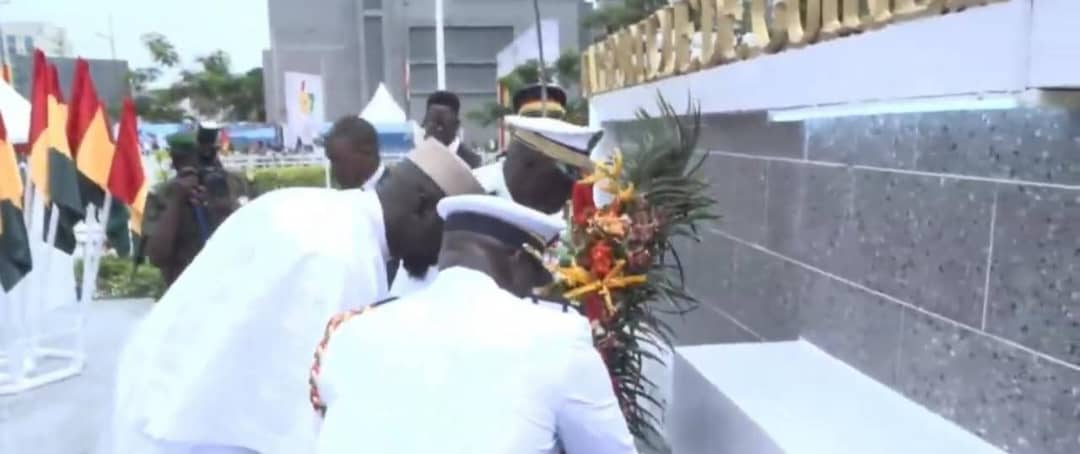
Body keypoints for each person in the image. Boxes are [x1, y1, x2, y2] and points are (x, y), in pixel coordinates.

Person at [100, 138, 485, 454]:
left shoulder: (312, 205)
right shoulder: (341, 259)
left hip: (162, 399)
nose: (440, 255)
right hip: (191, 431)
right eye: (445, 238)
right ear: (422, 206)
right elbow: (313, 415)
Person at [312, 195, 637, 454]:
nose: (531, 290)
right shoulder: (558, 340)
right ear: (517, 258)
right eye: (535, 275)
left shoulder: (351, 333)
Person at [143, 123, 248, 288]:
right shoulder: (163, 195)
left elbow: (253, 242)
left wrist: (224, 207)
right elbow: (157, 257)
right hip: (185, 291)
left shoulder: (234, 185)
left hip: (232, 288)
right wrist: (176, 200)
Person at [424, 90, 482, 168]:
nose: (438, 129)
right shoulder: (415, 158)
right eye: (434, 123)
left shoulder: (473, 163)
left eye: (442, 124)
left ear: (456, 125)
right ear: (425, 123)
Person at [324, 115, 385, 190]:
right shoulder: (346, 193)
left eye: (338, 160)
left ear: (366, 152)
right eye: (332, 161)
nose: (334, 170)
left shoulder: (395, 191)